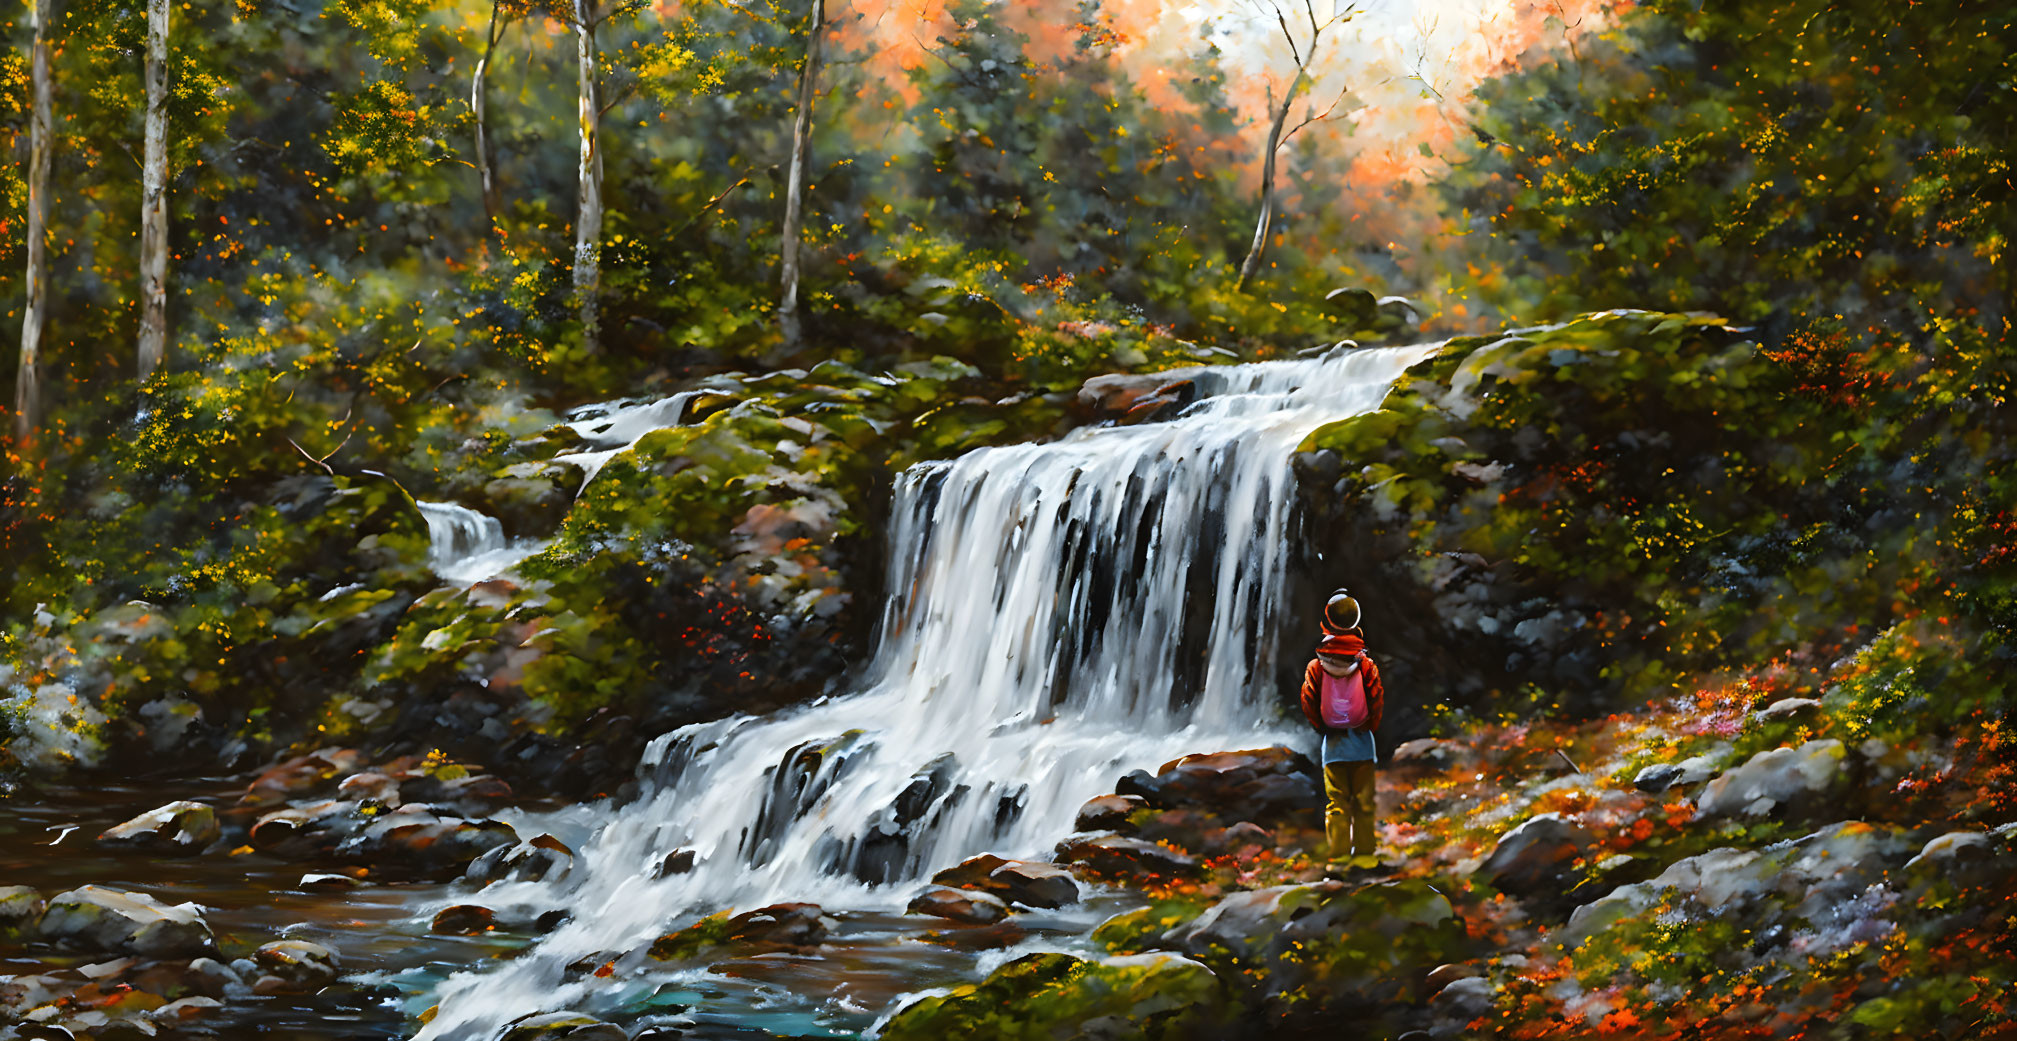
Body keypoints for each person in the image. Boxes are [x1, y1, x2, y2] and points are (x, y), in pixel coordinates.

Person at [1295, 589, 1385, 871]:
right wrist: (1368, 726)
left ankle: (1339, 857)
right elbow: (1376, 698)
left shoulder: (1316, 667)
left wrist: (1323, 727)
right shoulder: (1366, 665)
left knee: (1336, 802)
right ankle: (1366, 854)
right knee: (1364, 800)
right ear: (1356, 625)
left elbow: (1308, 700)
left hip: (1333, 745)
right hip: (1362, 743)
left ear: (1326, 625)